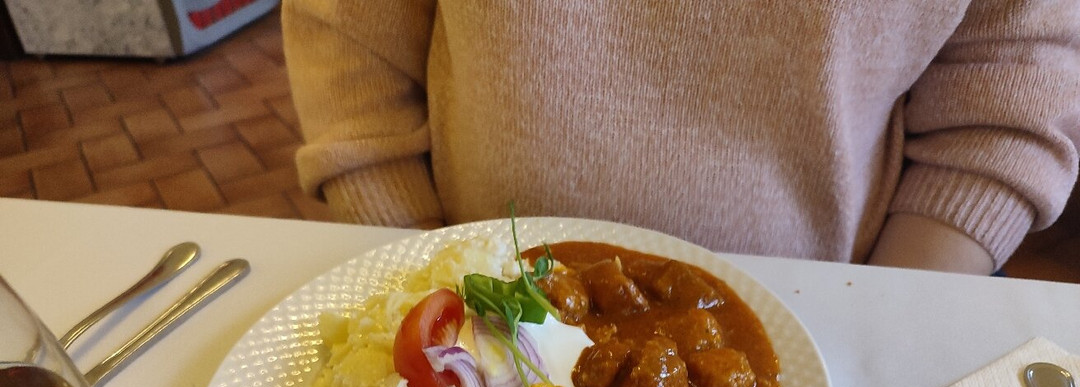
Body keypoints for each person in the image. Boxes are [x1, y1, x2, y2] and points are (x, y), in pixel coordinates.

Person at [281, 1, 1080, 276]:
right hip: (467, 304)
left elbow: (1010, 78)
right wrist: (429, 298)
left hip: (845, 307)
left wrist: (872, 326)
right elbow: (348, 47)